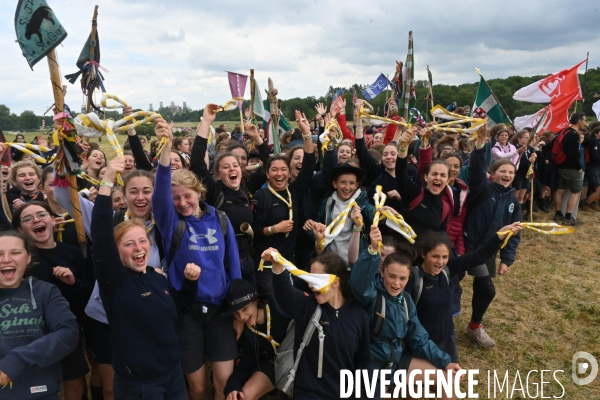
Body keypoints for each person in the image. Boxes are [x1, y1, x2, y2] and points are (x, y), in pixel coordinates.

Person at [91, 156, 200, 399]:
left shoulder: (156, 277)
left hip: (172, 374)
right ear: (116, 252)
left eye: (143, 241)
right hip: (139, 383)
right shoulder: (114, 282)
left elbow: (180, 306)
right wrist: (107, 181)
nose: (139, 248)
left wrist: (191, 283)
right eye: (129, 244)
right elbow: (100, 236)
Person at [153, 118, 241, 400]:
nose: (181, 203)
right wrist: (166, 148)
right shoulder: (170, 223)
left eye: (187, 196)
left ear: (199, 194)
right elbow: (160, 197)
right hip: (187, 313)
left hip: (220, 311)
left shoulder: (221, 219)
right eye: (175, 198)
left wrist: (238, 308)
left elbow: (234, 265)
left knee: (224, 384)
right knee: (198, 387)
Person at [350, 227, 459, 399]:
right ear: (382, 272)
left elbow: (419, 339)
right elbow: (358, 284)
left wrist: (445, 362)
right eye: (392, 276)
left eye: (402, 279)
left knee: (446, 380)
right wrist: (371, 251)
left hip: (397, 361)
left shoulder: (406, 300)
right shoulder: (371, 296)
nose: (396, 284)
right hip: (372, 367)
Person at [264, 248, 373, 400]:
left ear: (336, 282)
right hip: (308, 394)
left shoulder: (358, 314)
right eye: (309, 278)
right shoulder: (306, 306)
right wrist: (277, 265)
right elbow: (285, 294)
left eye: (316, 279)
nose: (310, 284)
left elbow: (364, 361)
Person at [12, 202, 92, 400]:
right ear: (20, 230)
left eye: (41, 215)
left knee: (76, 386)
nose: (37, 220)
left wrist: (72, 283)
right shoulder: (21, 260)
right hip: (32, 335)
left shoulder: (71, 252)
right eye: (28, 219)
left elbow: (85, 297)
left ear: (52, 220)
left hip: (64, 332)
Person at [0, 231, 79, 400]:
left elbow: (67, 333)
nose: (6, 259)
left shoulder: (45, 291)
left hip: (40, 392)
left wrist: (17, 360)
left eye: (15, 252)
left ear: (28, 258)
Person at [463, 125, 521, 348]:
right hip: (465, 246)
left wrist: (507, 258)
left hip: (487, 251)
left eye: (510, 173)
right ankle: (440, 321)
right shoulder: (482, 188)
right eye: (502, 171)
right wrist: (480, 145)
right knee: (450, 286)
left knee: (486, 289)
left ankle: (475, 326)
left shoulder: (513, 202)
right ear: (493, 174)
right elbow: (476, 168)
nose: (506, 175)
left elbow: (514, 233)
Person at [252, 111, 316, 295]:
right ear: (267, 174)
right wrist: (274, 229)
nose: (279, 174)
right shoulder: (261, 195)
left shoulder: (294, 191)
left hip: (290, 261)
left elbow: (309, 164)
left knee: (290, 305)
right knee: (274, 307)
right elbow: (254, 231)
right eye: (274, 170)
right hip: (268, 264)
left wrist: (306, 134)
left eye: (283, 170)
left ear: (289, 173)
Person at [222, 279, 292, 400]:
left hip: (303, 359)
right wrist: (233, 386)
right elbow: (246, 365)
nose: (242, 317)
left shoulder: (280, 306)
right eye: (236, 314)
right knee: (244, 395)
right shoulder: (248, 332)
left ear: (255, 301)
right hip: (275, 365)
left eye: (245, 309)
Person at [554, 113, 587, 225]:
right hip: (571, 168)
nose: (585, 123)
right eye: (584, 120)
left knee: (561, 189)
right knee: (576, 191)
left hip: (561, 165)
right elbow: (572, 154)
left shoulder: (565, 131)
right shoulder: (573, 134)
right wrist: (578, 167)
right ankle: (568, 217)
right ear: (579, 121)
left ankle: (558, 213)